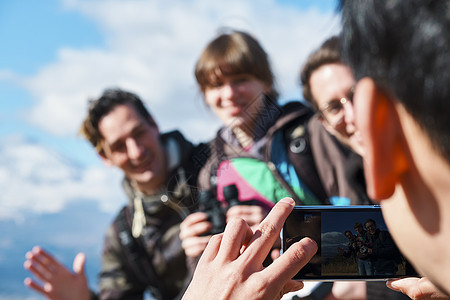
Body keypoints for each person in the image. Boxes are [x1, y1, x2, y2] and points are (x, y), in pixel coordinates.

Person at [183, 0, 450, 299]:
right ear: (204, 95)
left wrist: (283, 234)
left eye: (241, 79)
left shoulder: (316, 130)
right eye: (215, 85)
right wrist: (202, 250)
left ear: (267, 81)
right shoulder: (207, 171)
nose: (229, 94)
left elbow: (367, 208)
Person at [24, 88, 207, 300]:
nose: (136, 151)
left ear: (154, 124)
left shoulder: (217, 167)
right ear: (104, 157)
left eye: (139, 133)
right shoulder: (124, 234)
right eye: (119, 146)